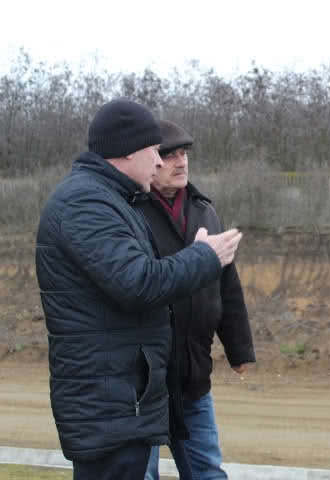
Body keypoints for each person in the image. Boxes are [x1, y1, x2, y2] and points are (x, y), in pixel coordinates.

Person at [35, 99, 243, 480]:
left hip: (123, 398)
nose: (160, 162)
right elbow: (138, 282)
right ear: (129, 151)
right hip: (108, 405)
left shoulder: (110, 198)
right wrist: (204, 256)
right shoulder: (86, 203)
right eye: (155, 151)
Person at [138, 120, 255, 480]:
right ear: (151, 160)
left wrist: (239, 349)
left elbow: (227, 285)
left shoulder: (204, 210)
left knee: (207, 473)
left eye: (184, 153)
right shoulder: (131, 212)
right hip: (143, 382)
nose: (181, 162)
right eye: (170, 155)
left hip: (193, 377)